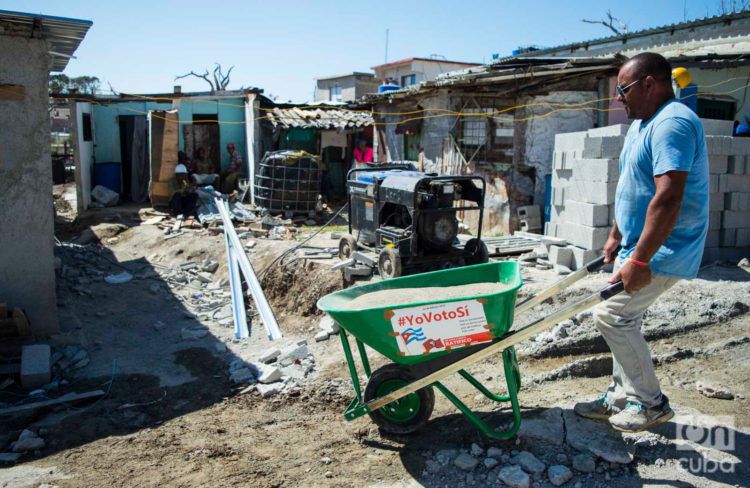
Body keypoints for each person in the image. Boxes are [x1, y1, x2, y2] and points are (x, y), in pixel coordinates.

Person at [574, 52, 709, 432]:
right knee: (623, 316)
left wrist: (640, 260)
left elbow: (668, 197)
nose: (619, 97)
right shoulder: (640, 125)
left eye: (624, 89)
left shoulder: (674, 123)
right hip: (638, 244)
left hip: (667, 246)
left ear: (649, 84)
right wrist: (617, 234)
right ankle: (621, 396)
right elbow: (633, 184)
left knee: (612, 314)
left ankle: (651, 403)